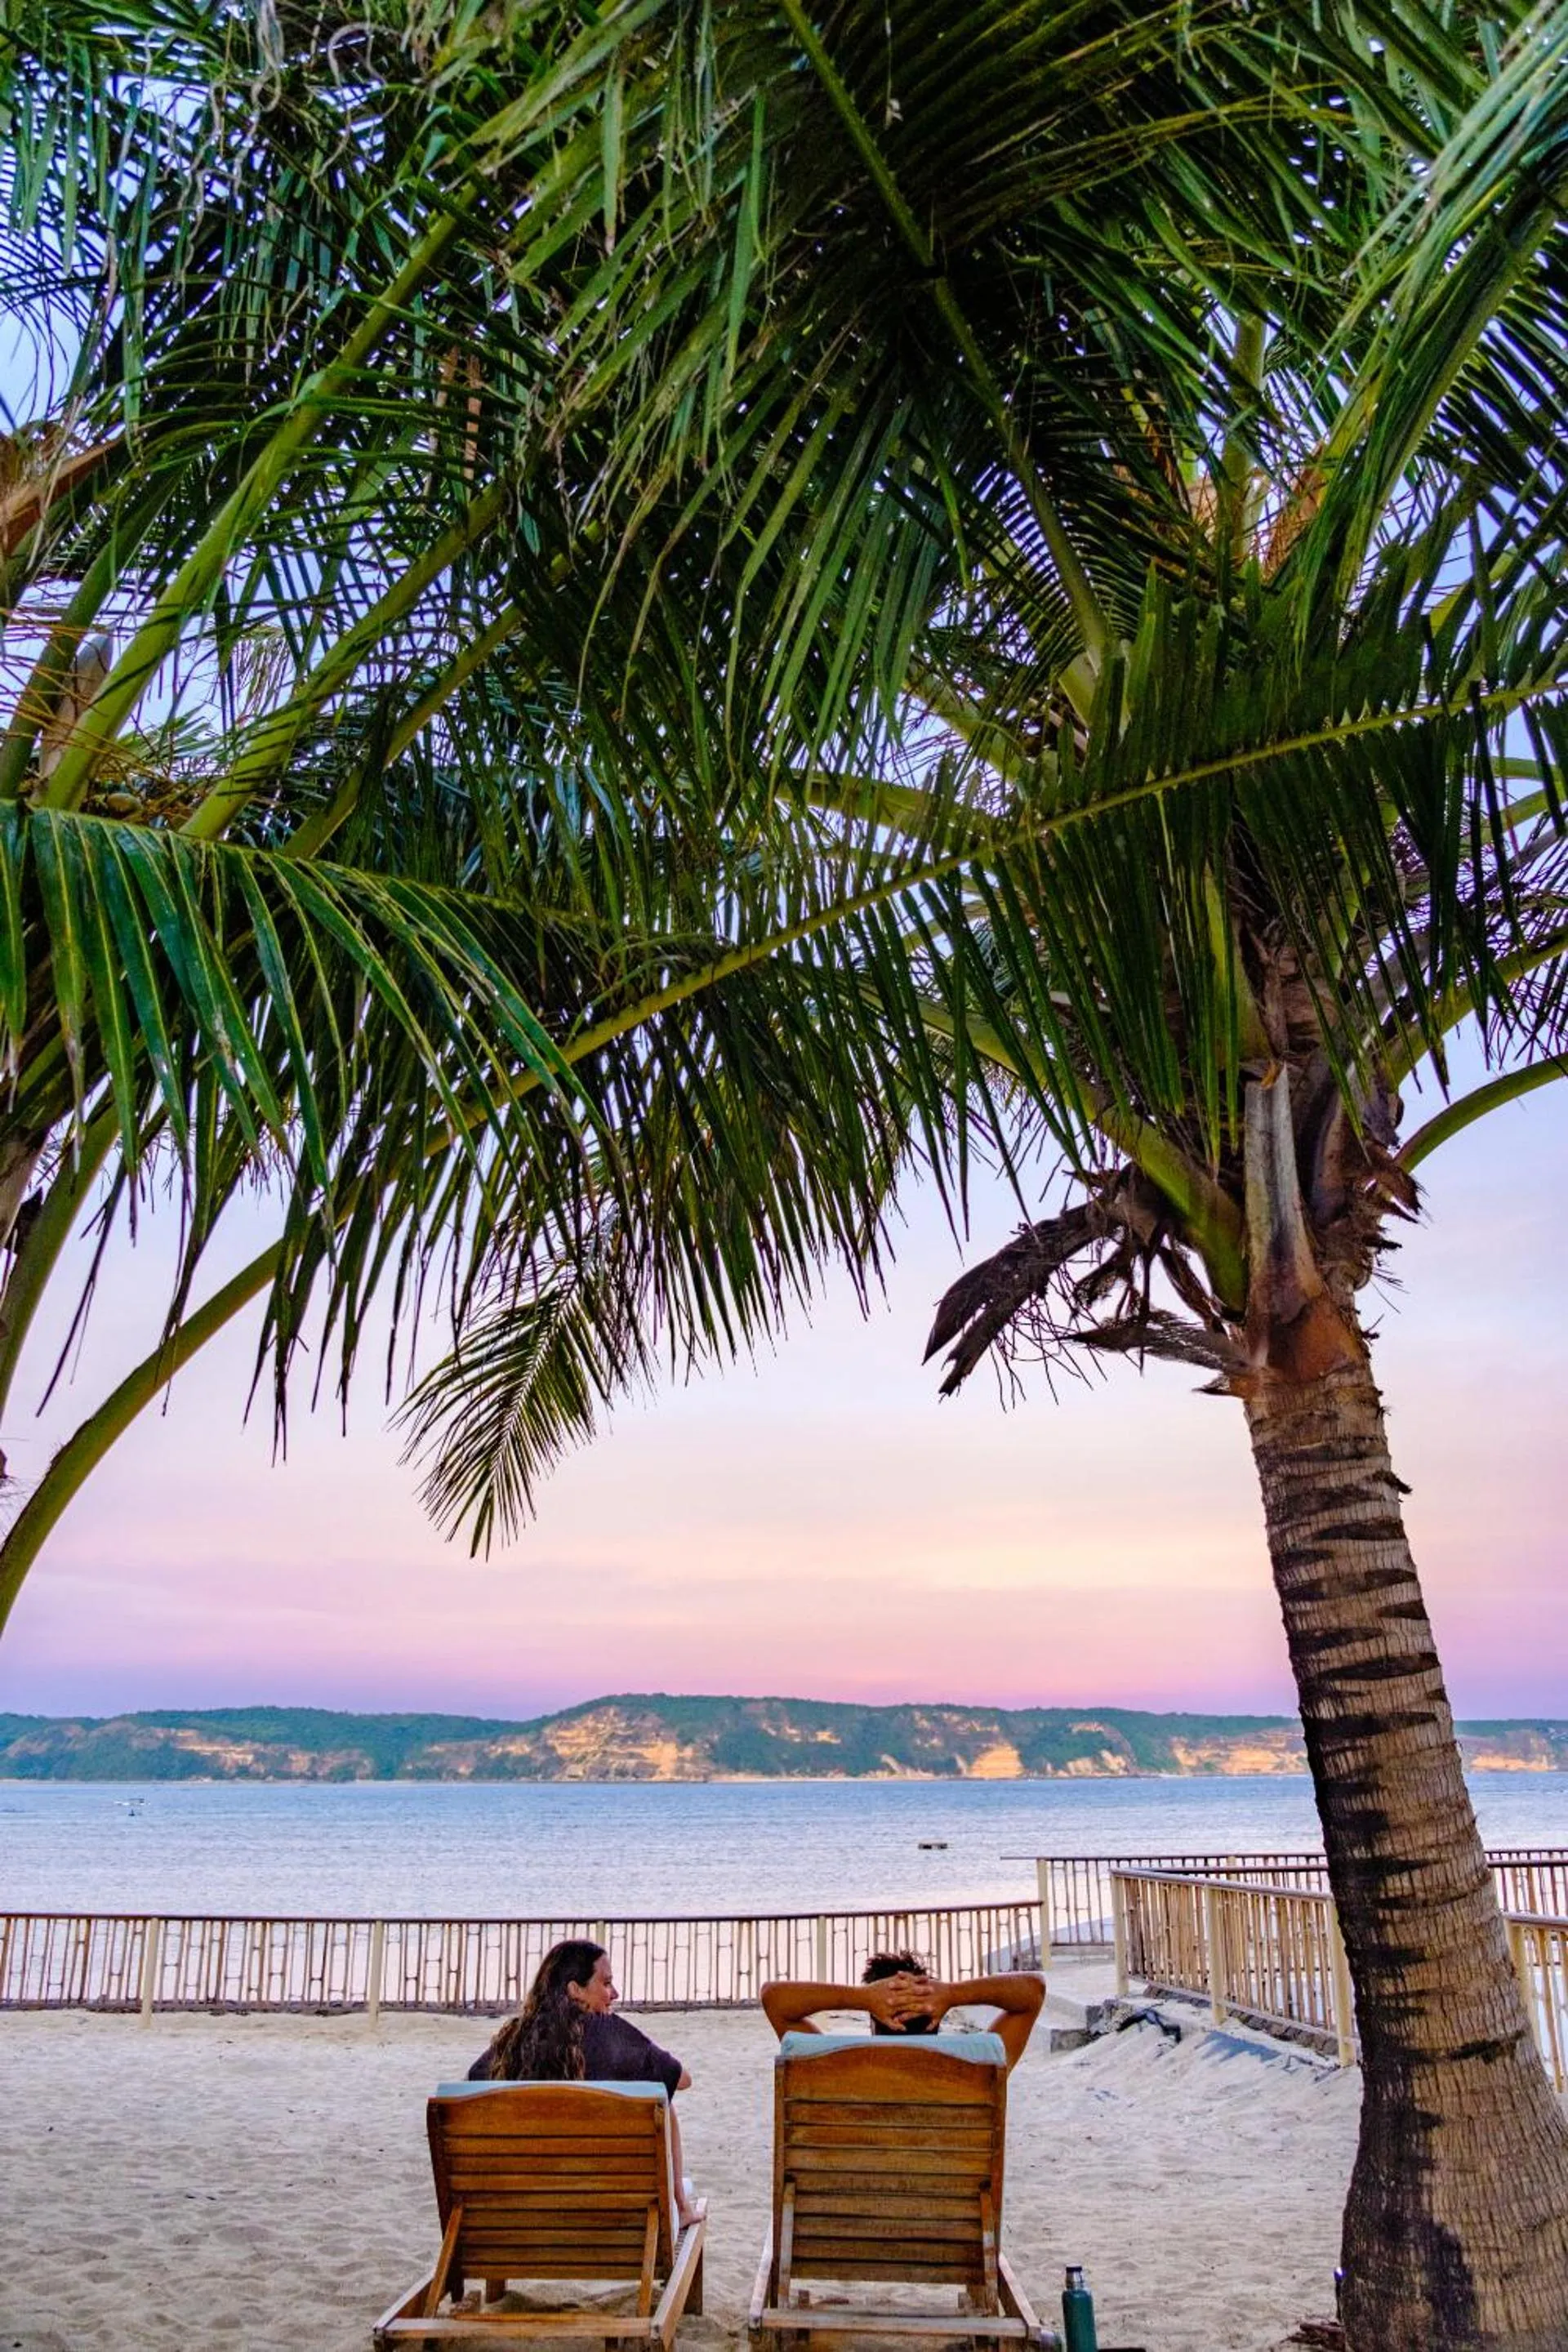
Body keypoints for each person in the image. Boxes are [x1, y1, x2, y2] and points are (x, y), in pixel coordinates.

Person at [468, 1938, 698, 2221]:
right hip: (606, 2221)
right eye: (605, 1983)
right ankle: (683, 2208)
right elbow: (682, 2079)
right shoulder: (608, 2033)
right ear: (575, 1990)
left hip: (522, 2221)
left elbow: (473, 2083)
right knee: (661, 2098)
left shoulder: (513, 2040)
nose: (614, 1993)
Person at [760, 1949, 1045, 2072]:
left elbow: (774, 1998)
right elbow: (1033, 1992)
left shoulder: (828, 2064)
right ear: (936, 2017)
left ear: (874, 2021)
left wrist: (861, 1998)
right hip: (948, 2196)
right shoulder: (979, 2064)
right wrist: (953, 1994)